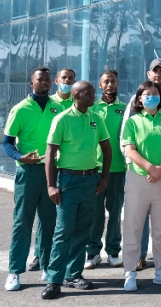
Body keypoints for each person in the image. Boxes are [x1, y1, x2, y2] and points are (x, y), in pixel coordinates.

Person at [42, 81, 112, 300]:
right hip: (68, 181)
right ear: (76, 96)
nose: (93, 94)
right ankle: (54, 280)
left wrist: (104, 178)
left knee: (83, 230)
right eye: (87, 92)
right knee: (63, 231)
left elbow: (107, 149)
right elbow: (50, 154)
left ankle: (73, 275)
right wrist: (51, 185)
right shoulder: (62, 119)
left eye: (92, 91)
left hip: (90, 180)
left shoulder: (96, 118)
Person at [122, 58, 161, 272]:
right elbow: (128, 145)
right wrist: (148, 168)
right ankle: (135, 264)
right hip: (139, 175)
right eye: (154, 71)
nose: (158, 74)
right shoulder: (134, 113)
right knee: (135, 223)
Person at [3, 67, 63, 291]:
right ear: (32, 83)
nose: (44, 82)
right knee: (23, 222)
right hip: (28, 172)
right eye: (40, 79)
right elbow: (6, 143)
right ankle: (14, 271)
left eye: (47, 79)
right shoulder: (20, 109)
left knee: (49, 221)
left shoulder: (58, 108)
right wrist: (20, 157)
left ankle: (47, 267)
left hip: (51, 172)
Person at [86, 70, 127, 270]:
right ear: (100, 85)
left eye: (113, 81)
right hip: (96, 168)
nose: (110, 85)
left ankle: (113, 251)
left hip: (118, 168)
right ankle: (93, 252)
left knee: (115, 211)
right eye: (106, 82)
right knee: (95, 213)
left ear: (117, 83)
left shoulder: (125, 109)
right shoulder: (92, 109)